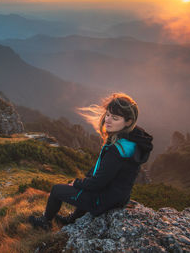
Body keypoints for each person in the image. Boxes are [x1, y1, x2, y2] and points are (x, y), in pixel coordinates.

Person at [28, 92, 153, 229]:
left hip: (103, 201)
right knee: (87, 182)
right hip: (119, 197)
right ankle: (72, 219)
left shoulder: (117, 150)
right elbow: (107, 173)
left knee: (57, 190)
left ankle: (45, 222)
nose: (108, 120)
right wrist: (87, 179)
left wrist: (76, 183)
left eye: (115, 118)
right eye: (108, 115)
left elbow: (97, 183)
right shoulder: (132, 141)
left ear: (128, 122)